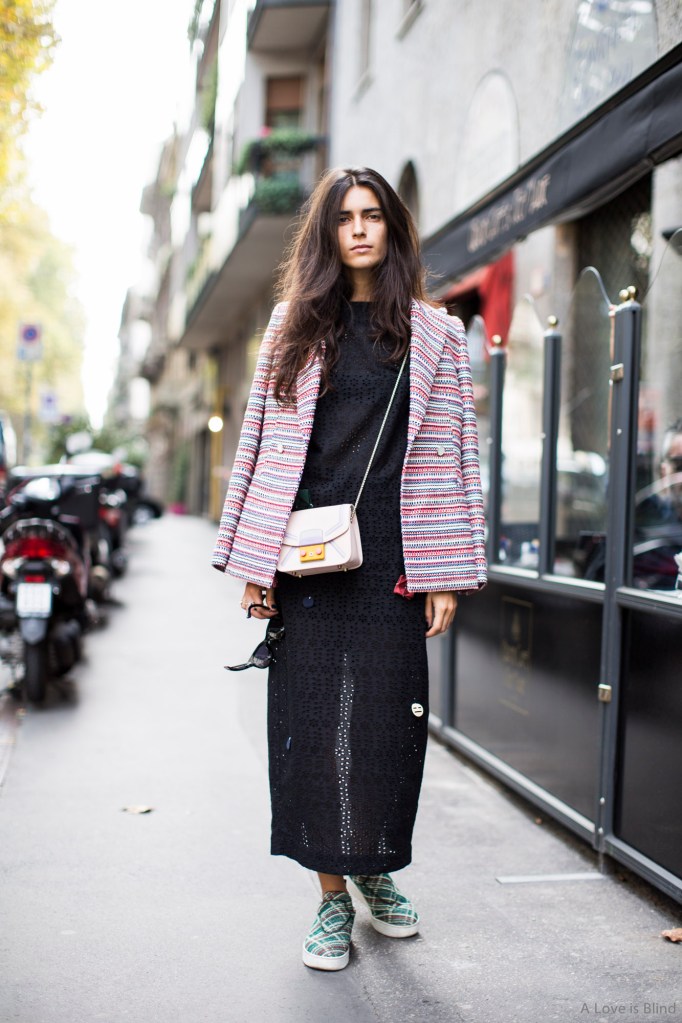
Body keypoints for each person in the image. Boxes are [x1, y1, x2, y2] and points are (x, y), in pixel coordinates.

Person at [212, 167, 487, 971]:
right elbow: (257, 449)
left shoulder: (435, 333)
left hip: (393, 559)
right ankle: (331, 898)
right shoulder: (293, 326)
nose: (360, 229)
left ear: (392, 229)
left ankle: (378, 869)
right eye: (345, 218)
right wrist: (254, 562)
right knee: (305, 729)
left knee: (384, 730)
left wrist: (447, 569)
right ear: (327, 234)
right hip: (305, 553)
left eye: (374, 216)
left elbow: (454, 460)